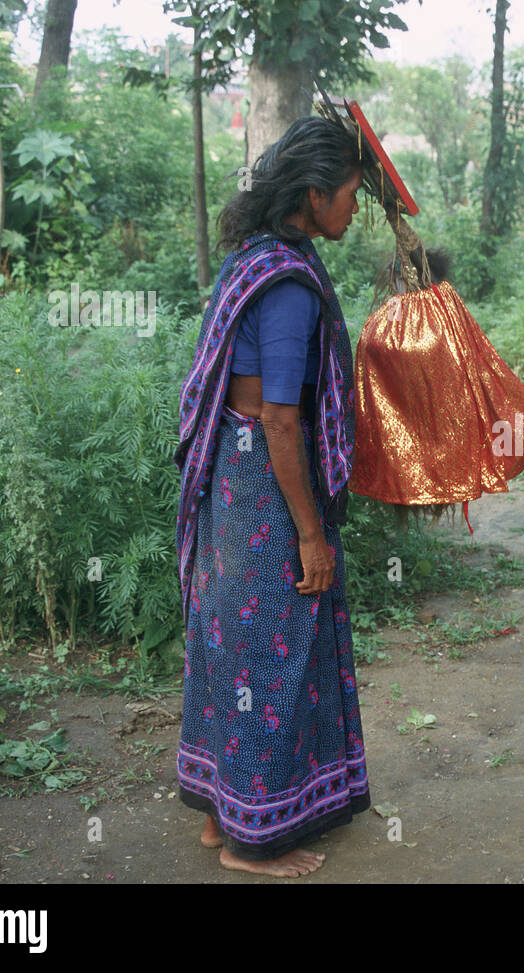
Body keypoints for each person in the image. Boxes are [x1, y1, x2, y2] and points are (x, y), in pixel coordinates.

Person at [173, 116, 370, 876]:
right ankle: (251, 840)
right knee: (269, 656)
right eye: (348, 195)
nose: (353, 207)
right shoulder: (288, 286)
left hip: (233, 473)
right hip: (266, 487)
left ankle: (223, 811)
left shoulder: (254, 257)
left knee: (229, 646)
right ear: (313, 195)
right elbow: (284, 418)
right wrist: (311, 531)